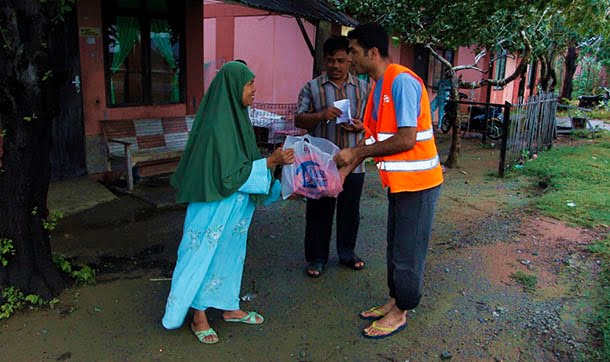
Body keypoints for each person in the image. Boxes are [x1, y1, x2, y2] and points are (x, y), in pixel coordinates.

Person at [161, 61, 295, 344]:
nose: (254, 89)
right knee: (203, 255)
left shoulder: (237, 119)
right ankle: (198, 316)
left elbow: (243, 164)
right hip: (212, 207)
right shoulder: (215, 127)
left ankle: (229, 306)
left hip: (233, 208)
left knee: (230, 254)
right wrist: (271, 162)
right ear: (233, 87)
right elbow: (226, 176)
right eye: (249, 84)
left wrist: (272, 168)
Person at [334, 24, 443, 339]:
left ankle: (402, 310)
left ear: (372, 53)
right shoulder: (379, 84)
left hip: (419, 184)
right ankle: (396, 299)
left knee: (407, 250)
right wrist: (356, 147)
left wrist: (358, 152)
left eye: (353, 52)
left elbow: (406, 138)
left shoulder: (401, 82)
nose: (350, 58)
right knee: (396, 245)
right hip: (400, 183)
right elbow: (381, 132)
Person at [295, 36, 370, 278]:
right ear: (324, 61)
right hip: (320, 165)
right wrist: (321, 115)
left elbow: (375, 123)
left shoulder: (364, 88)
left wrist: (362, 126)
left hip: (354, 163)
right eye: (330, 60)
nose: (336, 65)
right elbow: (298, 119)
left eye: (341, 60)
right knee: (319, 211)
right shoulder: (312, 87)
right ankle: (317, 258)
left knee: (350, 210)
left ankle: (347, 253)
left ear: (350, 61)